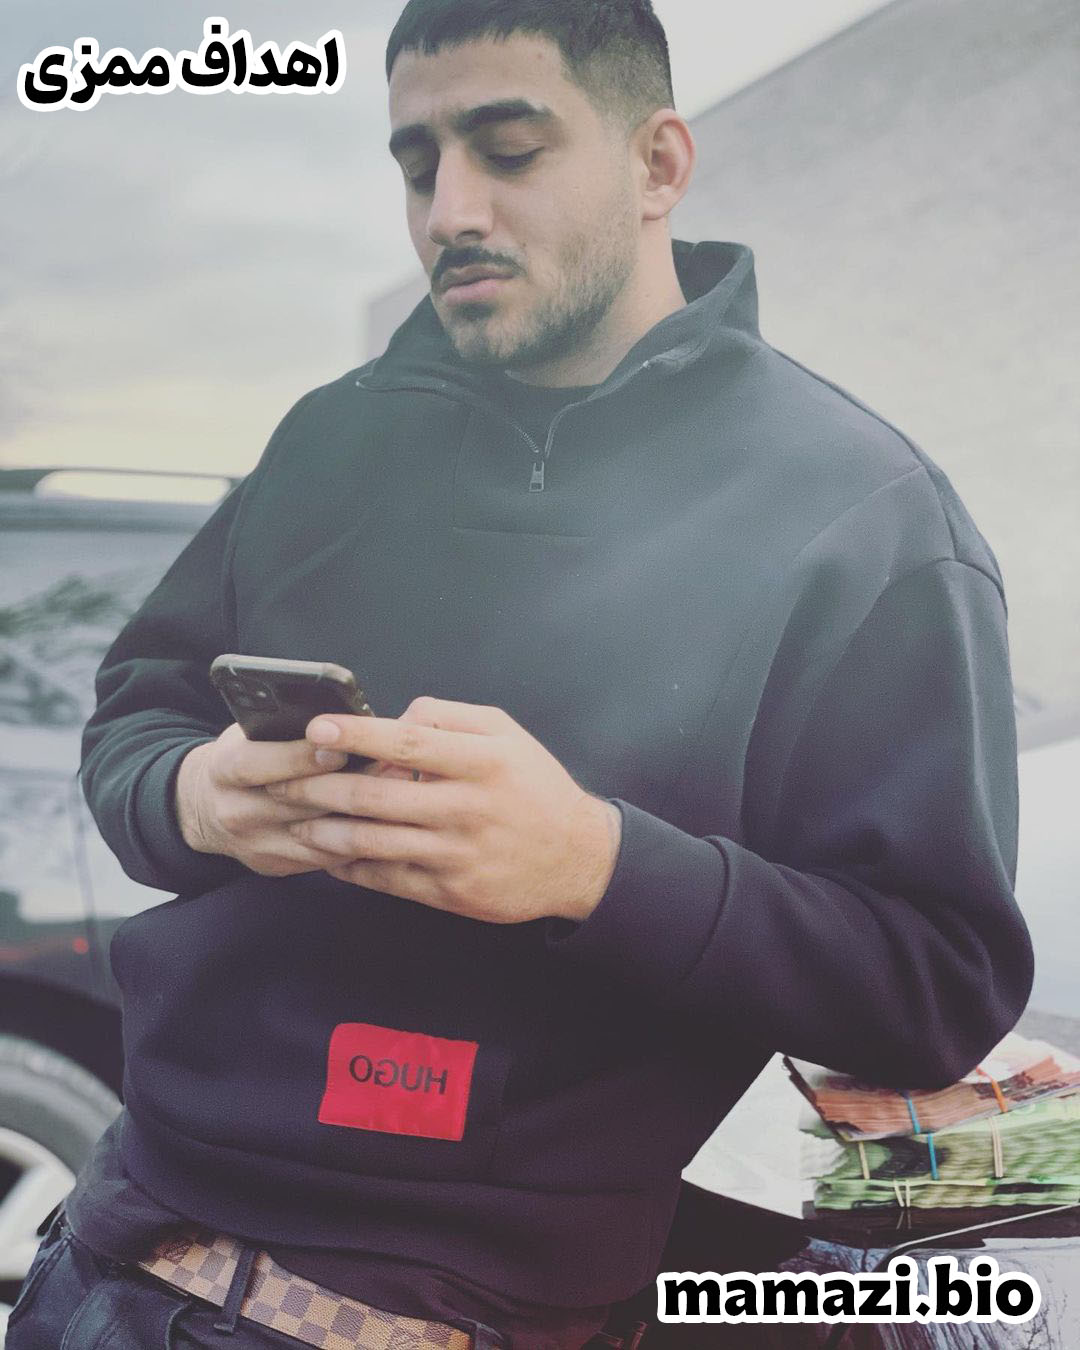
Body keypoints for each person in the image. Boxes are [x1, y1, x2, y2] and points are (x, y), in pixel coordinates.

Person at [9, 0, 1034, 1346]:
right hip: (110, 1250)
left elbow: (937, 985)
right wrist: (191, 795)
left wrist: (596, 866)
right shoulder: (330, 440)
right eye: (417, 164)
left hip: (451, 1309)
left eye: (508, 149)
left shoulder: (863, 515)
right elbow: (136, 709)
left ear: (658, 163)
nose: (450, 211)